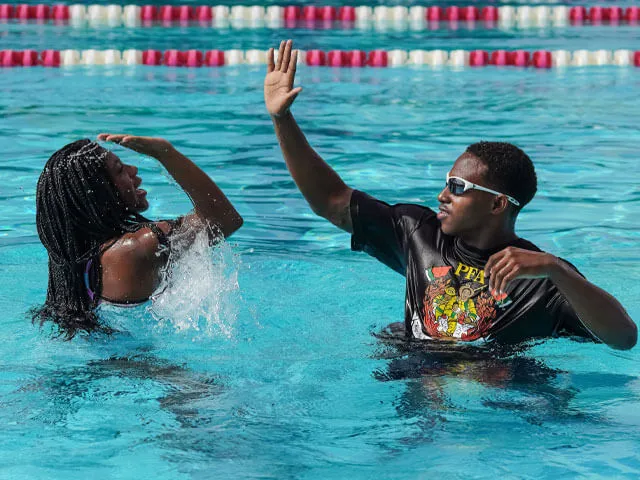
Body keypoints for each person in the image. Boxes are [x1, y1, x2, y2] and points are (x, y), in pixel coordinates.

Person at [264, 40, 637, 350]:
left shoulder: (540, 276)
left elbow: (624, 338)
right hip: (418, 389)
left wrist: (556, 269)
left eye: (457, 188)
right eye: (447, 182)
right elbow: (329, 200)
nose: (442, 194)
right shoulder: (417, 233)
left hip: (497, 401)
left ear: (496, 203)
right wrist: (283, 120)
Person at [33, 134, 243, 339]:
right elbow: (223, 219)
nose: (133, 171)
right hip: (145, 368)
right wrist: (166, 154)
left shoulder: (79, 259)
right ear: (100, 192)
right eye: (120, 170)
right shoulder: (137, 247)